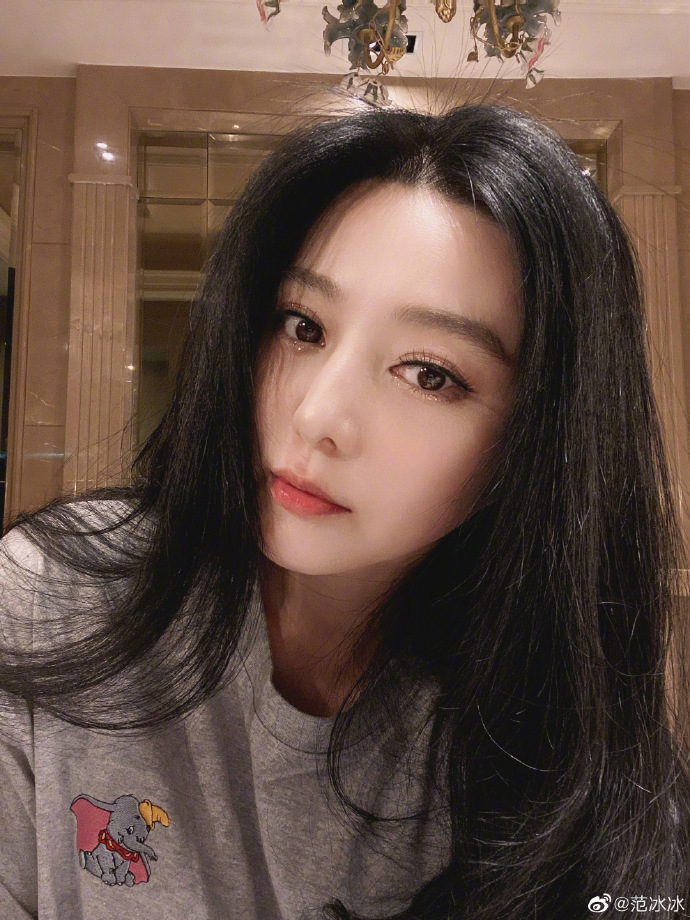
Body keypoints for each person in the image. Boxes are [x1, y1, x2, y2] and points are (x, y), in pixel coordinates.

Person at [0, 103, 688, 920]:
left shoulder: (553, 747)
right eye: (303, 326)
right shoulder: (58, 602)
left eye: (429, 374)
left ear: (539, 441)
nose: (317, 416)